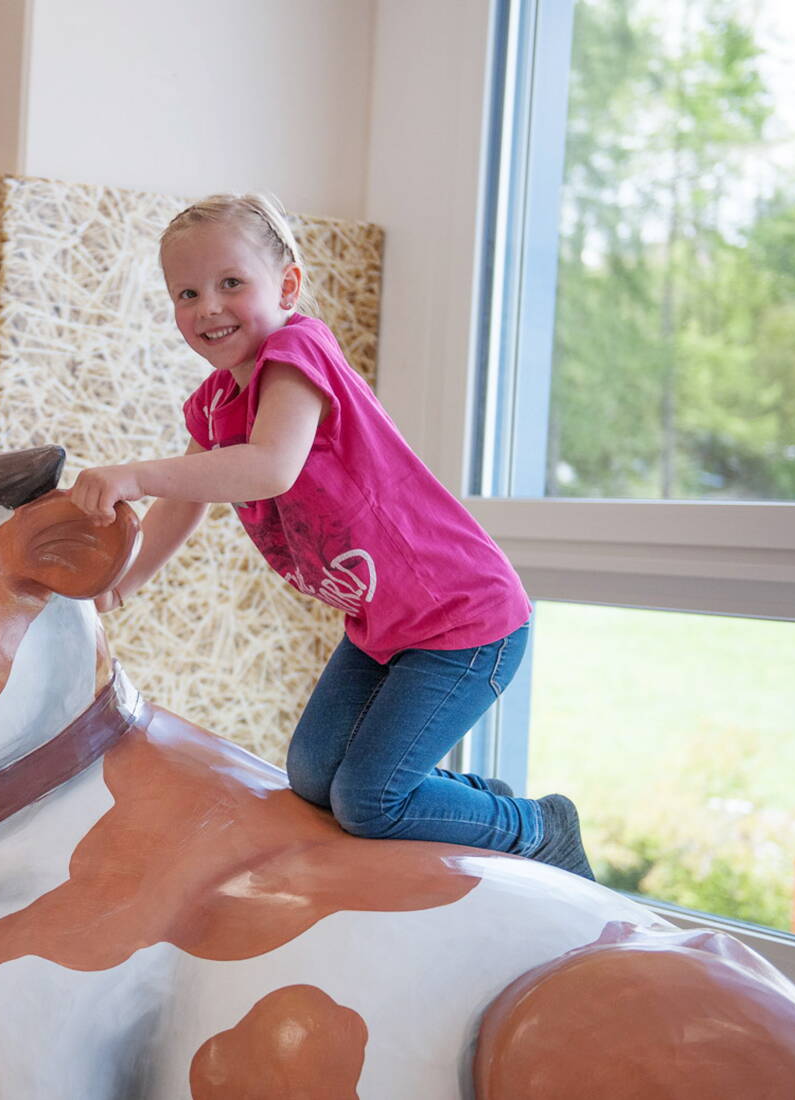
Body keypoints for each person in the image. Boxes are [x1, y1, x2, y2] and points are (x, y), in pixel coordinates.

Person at [71, 193, 593, 879]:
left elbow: (267, 466)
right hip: (383, 628)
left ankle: (540, 826)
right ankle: (477, 804)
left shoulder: (297, 349)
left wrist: (135, 474)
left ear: (287, 286)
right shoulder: (212, 404)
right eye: (187, 293)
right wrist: (125, 580)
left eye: (232, 283)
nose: (208, 308)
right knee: (314, 779)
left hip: (466, 622)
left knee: (369, 802)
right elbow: (191, 494)